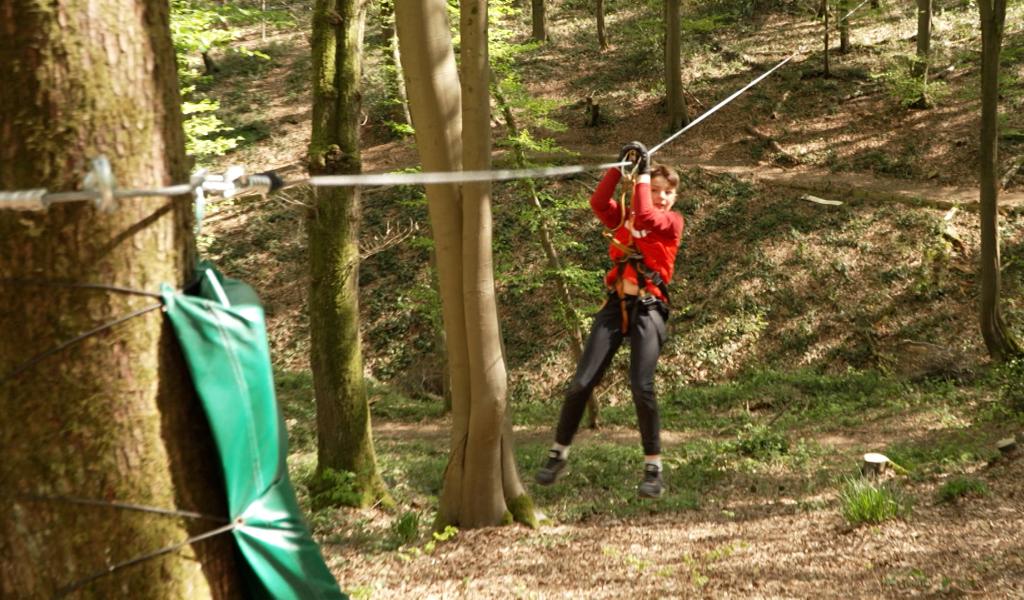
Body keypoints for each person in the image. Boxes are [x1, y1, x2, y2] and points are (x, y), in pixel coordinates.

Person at [535, 141, 684, 498]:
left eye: (670, 194)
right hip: (615, 307)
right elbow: (598, 203)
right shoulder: (622, 218)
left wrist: (645, 173)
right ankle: (559, 452)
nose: (664, 198)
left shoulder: (670, 223)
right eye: (659, 192)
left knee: (641, 386)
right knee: (581, 383)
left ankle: (653, 467)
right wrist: (619, 167)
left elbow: (648, 217)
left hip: (650, 308)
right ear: (643, 191)